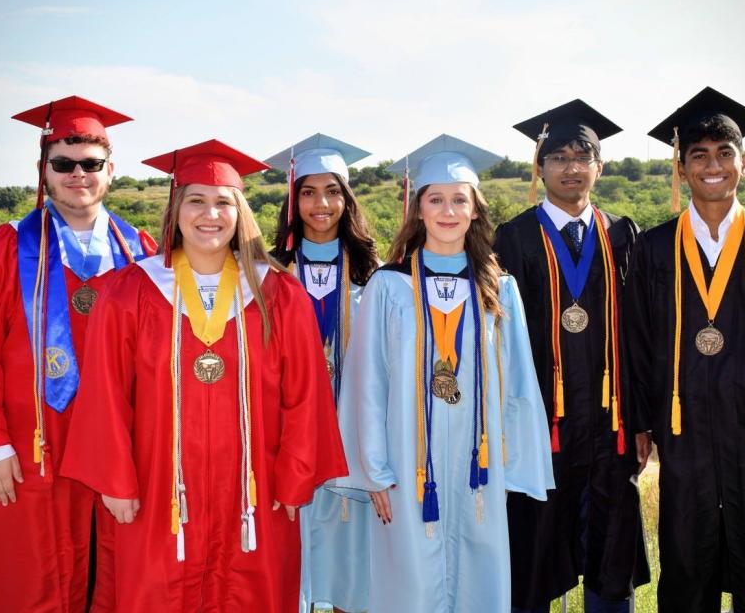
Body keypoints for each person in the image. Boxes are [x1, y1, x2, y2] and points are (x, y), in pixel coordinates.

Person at [60, 139, 348, 612]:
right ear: (177, 207)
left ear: (240, 212)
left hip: (256, 496)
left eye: (222, 202)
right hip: (159, 497)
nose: (209, 214)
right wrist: (114, 480)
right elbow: (106, 394)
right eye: (196, 200)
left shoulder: (279, 294)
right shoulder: (132, 291)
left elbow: (306, 397)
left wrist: (296, 478)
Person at [0, 96, 155, 612]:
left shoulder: (139, 250)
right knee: (35, 580)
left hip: (123, 444)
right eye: (64, 164)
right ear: (43, 171)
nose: (78, 175)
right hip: (34, 445)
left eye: (91, 163)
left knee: (117, 572)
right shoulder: (8, 247)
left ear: (110, 170)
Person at [334, 134, 555, 613]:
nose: (448, 210)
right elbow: (367, 384)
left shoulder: (500, 289)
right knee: (409, 585)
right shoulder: (389, 287)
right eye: (436, 199)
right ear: (418, 209)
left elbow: (518, 386)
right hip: (407, 463)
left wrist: (514, 464)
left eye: (460, 199)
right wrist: (375, 471)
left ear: (476, 209)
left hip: (481, 466)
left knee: (479, 579)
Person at [627, 87, 745, 612]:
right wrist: (646, 423)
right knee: (689, 568)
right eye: (699, 156)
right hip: (685, 437)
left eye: (724, 153)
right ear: (682, 168)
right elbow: (640, 344)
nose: (713, 166)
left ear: (744, 163)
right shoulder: (654, 249)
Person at [493, 100, 650, 612]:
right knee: (535, 554)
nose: (570, 167)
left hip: (611, 428)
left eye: (582, 157)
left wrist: (643, 420)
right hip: (542, 429)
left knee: (611, 555)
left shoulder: (625, 235)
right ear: (540, 169)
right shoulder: (513, 238)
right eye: (558, 157)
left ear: (598, 168)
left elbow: (645, 335)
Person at [266, 133, 379, 613]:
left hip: (348, 431)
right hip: (286, 429)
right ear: (293, 200)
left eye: (332, 191)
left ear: (346, 200)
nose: (321, 203)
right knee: (292, 552)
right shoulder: (269, 273)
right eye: (308, 192)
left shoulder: (373, 274)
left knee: (350, 559)